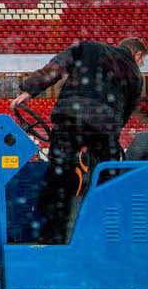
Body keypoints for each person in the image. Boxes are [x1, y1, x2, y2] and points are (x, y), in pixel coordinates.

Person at [11, 37, 146, 243]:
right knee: (105, 179)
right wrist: (111, 135)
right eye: (142, 60)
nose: (141, 64)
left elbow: (57, 66)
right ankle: (100, 233)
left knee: (58, 178)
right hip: (104, 127)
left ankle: (50, 238)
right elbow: (125, 114)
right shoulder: (135, 75)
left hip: (69, 119)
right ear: (137, 54)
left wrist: (30, 89)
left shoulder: (88, 47)